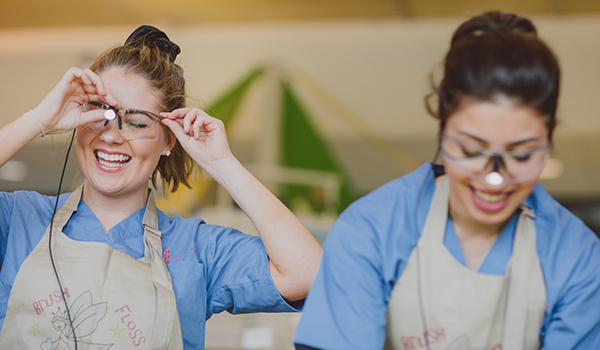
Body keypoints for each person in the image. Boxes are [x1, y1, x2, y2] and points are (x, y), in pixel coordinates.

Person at [0, 25, 321, 349]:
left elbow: (306, 272)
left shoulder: (195, 249)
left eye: (136, 122)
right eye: (99, 113)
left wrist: (221, 162)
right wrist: (39, 119)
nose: (111, 135)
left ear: (170, 138)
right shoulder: (19, 219)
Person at [293, 11, 600, 350]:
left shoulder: (577, 258)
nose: (494, 179)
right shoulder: (371, 230)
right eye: (470, 149)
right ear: (440, 120)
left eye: (522, 155)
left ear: (550, 136)